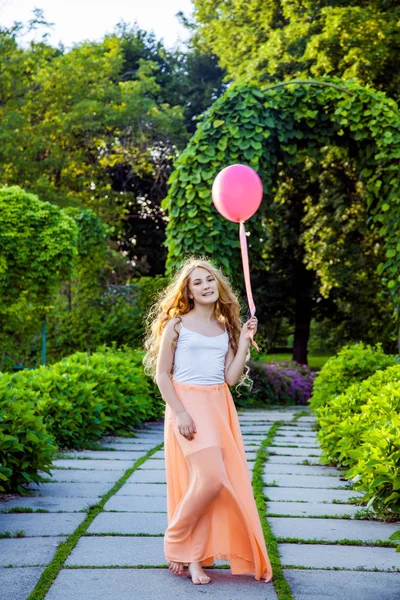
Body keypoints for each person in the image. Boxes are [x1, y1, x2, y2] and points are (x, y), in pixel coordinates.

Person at [143, 256, 273, 585]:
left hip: (218, 405)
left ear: (219, 285)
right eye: (197, 282)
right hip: (187, 404)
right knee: (210, 480)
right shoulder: (177, 324)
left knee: (206, 486)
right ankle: (175, 541)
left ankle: (195, 558)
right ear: (187, 291)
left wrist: (243, 342)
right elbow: (161, 375)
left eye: (209, 280)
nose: (205, 286)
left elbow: (230, 378)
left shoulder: (224, 327)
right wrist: (181, 413)